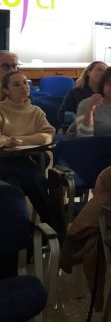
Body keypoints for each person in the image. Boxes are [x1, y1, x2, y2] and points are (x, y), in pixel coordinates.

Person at [0, 71, 56, 225]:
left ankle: (23, 235)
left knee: (17, 182)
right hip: (4, 160)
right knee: (33, 179)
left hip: (28, 158)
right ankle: (54, 227)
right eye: (16, 84)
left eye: (25, 82)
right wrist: (4, 141)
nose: (24, 87)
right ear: (6, 90)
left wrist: (17, 140)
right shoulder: (1, 109)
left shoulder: (36, 111)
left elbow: (49, 134)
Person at [68, 65, 111, 137]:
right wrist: (90, 110)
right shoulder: (86, 103)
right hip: (86, 145)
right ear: (103, 82)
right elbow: (84, 137)